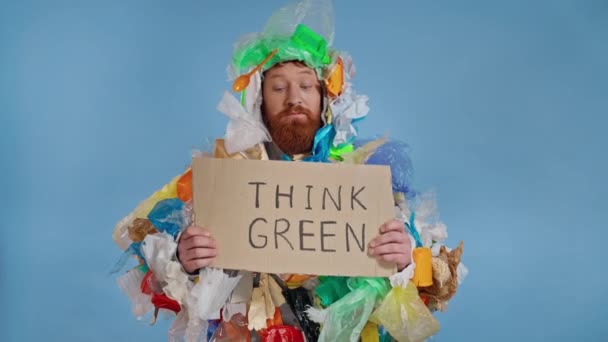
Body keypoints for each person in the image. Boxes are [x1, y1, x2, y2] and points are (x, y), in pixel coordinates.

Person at [112, 1, 465, 341]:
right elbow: (155, 267)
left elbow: (433, 286)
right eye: (278, 87)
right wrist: (184, 261)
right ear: (258, 101)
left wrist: (404, 262)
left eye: (307, 85)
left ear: (326, 98)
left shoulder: (367, 184)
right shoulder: (219, 180)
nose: (294, 97)